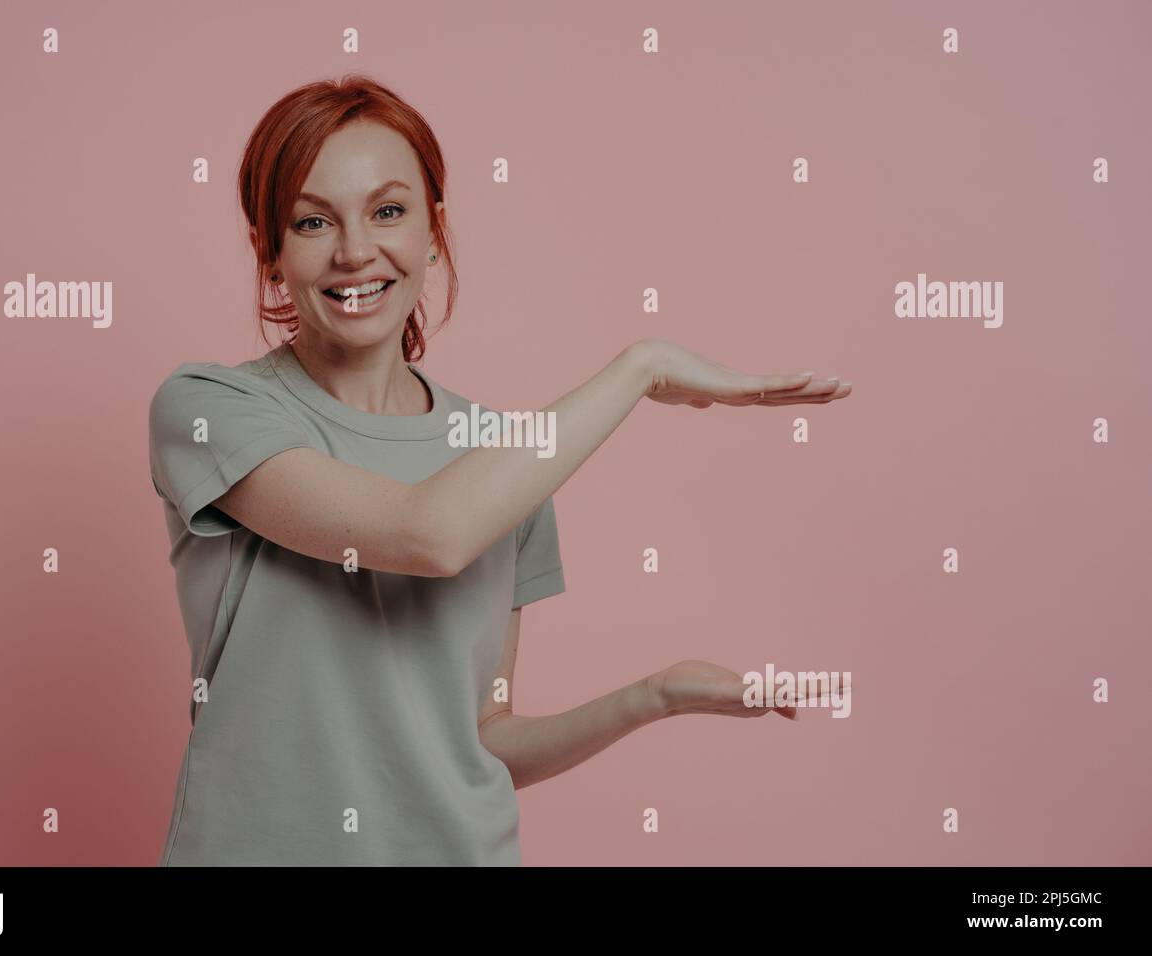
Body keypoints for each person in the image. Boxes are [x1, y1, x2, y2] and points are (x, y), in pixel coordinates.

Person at [148, 74, 852, 866]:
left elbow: (485, 740)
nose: (355, 251)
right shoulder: (208, 408)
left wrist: (657, 697)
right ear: (268, 253)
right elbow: (428, 534)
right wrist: (642, 367)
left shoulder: (499, 459)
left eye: (389, 210)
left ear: (434, 232)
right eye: (312, 221)